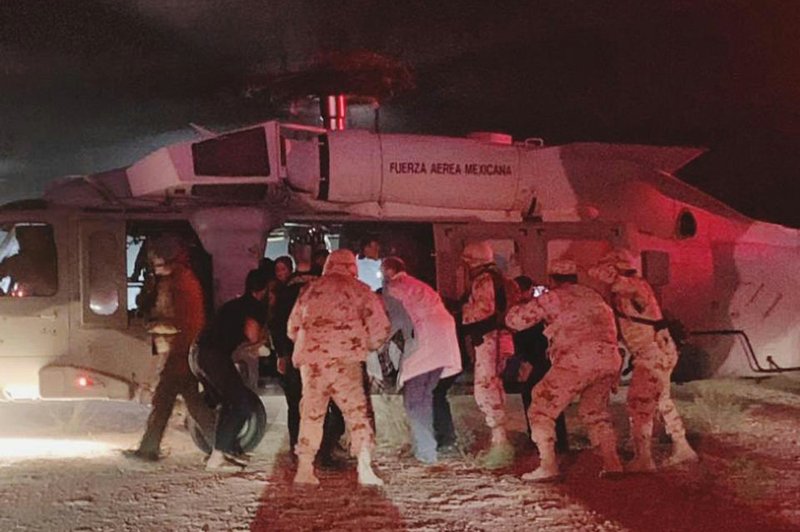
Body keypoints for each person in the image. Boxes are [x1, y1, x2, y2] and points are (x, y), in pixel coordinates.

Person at [505, 259, 623, 481]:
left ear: (552, 279)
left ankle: (548, 465)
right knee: (596, 412)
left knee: (540, 405)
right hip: (610, 358)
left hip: (577, 359)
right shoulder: (593, 296)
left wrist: (515, 300)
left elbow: (515, 321)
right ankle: (612, 462)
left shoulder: (554, 296)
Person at [288, 249, 391, 485]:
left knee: (311, 413)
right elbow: (380, 328)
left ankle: (305, 468)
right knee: (356, 412)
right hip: (346, 360)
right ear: (352, 266)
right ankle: (364, 468)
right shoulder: (360, 290)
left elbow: (292, 327)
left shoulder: (310, 289)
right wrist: (367, 345)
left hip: (312, 362)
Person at [589, 249, 698, 471]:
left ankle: (644, 458)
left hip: (651, 355)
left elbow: (607, 278)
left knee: (639, 404)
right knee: (662, 401)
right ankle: (683, 447)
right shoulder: (635, 286)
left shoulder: (632, 285)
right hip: (659, 352)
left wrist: (591, 268)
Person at [125, 235, 214, 461]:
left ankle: (149, 449)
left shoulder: (181, 282)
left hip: (180, 352)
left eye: (157, 262)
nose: (154, 267)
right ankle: (222, 446)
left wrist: (154, 325)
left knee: (165, 401)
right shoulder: (178, 280)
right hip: (182, 351)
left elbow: (184, 322)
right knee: (191, 403)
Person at [381, 257, 462, 464]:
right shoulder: (419, 286)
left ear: (389, 271)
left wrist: (380, 342)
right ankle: (429, 446)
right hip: (444, 342)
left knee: (414, 402)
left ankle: (426, 453)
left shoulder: (393, 288)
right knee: (426, 396)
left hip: (424, 344)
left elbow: (398, 320)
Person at [269, 242, 345, 462]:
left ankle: (299, 449)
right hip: (321, 356)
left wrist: (281, 354)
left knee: (295, 403)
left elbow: (277, 324)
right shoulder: (322, 288)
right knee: (324, 403)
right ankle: (324, 449)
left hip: (296, 355)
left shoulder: (285, 292)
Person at [194, 269, 269, 470]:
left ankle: (223, 450)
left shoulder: (234, 304)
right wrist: (263, 344)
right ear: (263, 290)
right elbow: (252, 335)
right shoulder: (254, 306)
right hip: (213, 356)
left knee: (230, 401)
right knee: (241, 403)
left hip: (200, 353)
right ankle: (218, 455)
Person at [460, 241, 519, 468]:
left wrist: (460, 313)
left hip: (489, 338)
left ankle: (500, 444)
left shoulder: (485, 281)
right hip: (500, 337)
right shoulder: (503, 280)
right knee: (495, 385)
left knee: (486, 387)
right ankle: (499, 440)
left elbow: (482, 311)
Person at [512, 276, 569, 453]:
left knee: (543, 397)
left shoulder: (534, 309)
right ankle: (553, 440)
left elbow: (538, 338)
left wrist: (531, 362)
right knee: (538, 397)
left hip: (542, 359)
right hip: (535, 358)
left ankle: (549, 441)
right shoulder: (526, 308)